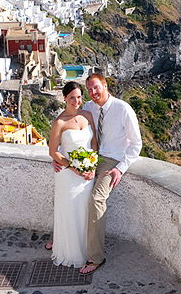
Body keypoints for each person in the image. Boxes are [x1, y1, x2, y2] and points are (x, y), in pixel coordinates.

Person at [74, 73, 143, 274]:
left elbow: (136, 144)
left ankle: (96, 257)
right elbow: (71, 121)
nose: (93, 92)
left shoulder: (123, 109)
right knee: (69, 185)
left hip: (111, 160)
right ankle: (64, 240)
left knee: (96, 199)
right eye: (89, 89)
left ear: (105, 86)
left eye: (96, 87)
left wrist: (121, 168)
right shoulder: (88, 108)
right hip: (91, 157)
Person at [47, 81, 98, 267]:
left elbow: (94, 144)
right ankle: (71, 252)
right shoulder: (59, 122)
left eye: (79, 97)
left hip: (87, 174)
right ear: (65, 98)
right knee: (70, 212)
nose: (76, 101)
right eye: (72, 98)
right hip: (68, 175)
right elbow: (53, 152)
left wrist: (92, 165)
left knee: (85, 211)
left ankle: (88, 249)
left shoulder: (88, 115)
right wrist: (73, 168)